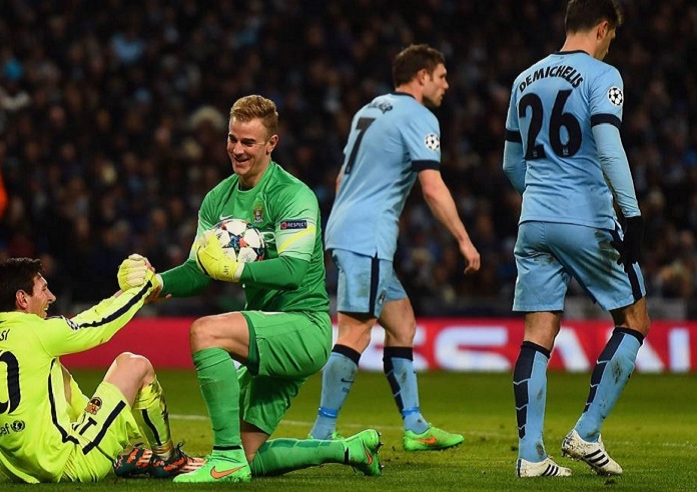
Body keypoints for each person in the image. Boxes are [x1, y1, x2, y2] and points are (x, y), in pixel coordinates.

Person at [126, 94, 383, 483]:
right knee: (254, 457)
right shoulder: (217, 199)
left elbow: (294, 271)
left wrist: (235, 270)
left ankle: (224, 458)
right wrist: (158, 283)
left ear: (271, 144)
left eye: (248, 142)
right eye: (232, 139)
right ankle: (349, 448)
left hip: (303, 326)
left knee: (205, 332)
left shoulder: (292, 195)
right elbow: (200, 270)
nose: (238, 150)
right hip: (264, 333)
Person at [502, 0, 650, 478]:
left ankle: (530, 457)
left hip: (533, 220)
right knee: (634, 319)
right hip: (585, 217)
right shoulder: (602, 76)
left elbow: (510, 166)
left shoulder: (523, 78)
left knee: (537, 335)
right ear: (603, 28)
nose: (611, 47)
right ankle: (586, 434)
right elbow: (608, 145)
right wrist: (633, 214)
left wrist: (543, 196)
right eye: (613, 38)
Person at [307, 44, 481, 451]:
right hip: (367, 237)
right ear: (421, 77)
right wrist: (463, 239)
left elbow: (339, 179)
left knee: (402, 324)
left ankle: (416, 427)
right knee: (355, 331)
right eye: (441, 76)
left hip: (348, 230)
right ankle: (320, 434)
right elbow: (432, 187)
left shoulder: (368, 110)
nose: (446, 84)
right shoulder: (420, 117)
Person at [0, 256, 200, 483]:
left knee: (57, 374)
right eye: (43, 290)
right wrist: (146, 287)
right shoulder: (37, 332)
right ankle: (167, 458)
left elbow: (92, 318)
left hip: (19, 469)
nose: (51, 297)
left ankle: (117, 451)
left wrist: (123, 294)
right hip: (65, 463)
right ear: (22, 299)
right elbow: (99, 324)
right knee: (134, 364)